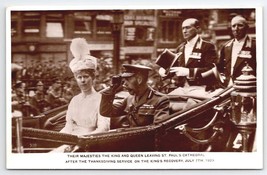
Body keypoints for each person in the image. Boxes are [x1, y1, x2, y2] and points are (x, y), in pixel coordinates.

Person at [157, 18, 221, 100]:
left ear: (197, 29)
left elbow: (211, 70)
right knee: (164, 103)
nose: (184, 31)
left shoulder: (207, 46)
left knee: (189, 106)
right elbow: (175, 70)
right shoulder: (180, 48)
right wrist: (164, 72)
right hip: (181, 89)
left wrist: (188, 72)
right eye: (183, 28)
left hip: (200, 88)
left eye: (187, 27)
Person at [59, 38, 110, 136]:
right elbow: (68, 126)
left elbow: (104, 128)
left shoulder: (102, 100)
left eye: (86, 76)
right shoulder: (75, 100)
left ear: (93, 77)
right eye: (79, 77)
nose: (83, 80)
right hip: (72, 140)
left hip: (91, 143)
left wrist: (82, 138)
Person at [100, 64, 170, 127]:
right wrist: (112, 89)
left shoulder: (159, 100)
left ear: (139, 80)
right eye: (124, 81)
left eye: (128, 80)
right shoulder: (129, 99)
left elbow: (159, 128)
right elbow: (106, 112)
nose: (124, 84)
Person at [217, 15, 256, 87]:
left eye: (240, 25)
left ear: (247, 27)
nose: (236, 29)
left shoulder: (255, 45)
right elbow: (220, 68)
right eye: (233, 26)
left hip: (247, 87)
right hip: (228, 87)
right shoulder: (226, 46)